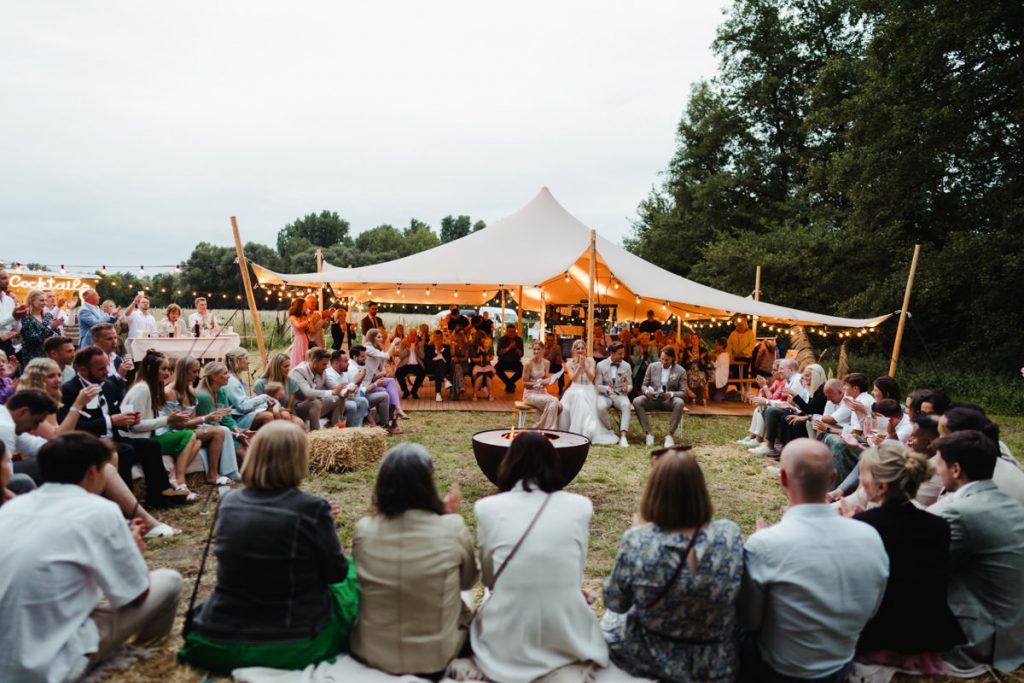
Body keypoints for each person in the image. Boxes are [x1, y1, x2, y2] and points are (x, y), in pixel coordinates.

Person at [0, 432, 182, 683]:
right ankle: (148, 651)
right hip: (47, 667)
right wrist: (135, 551)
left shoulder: (12, 508)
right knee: (170, 580)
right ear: (93, 473)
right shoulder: (100, 510)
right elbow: (135, 594)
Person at [179, 422, 358, 675]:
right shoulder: (312, 508)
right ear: (298, 459)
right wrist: (321, 525)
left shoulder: (228, 500)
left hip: (219, 635)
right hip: (290, 639)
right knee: (352, 576)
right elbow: (335, 573)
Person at [739, 439, 889, 682]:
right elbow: (872, 609)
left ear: (783, 479)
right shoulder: (871, 536)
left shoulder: (765, 544)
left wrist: (759, 544)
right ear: (833, 477)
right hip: (839, 663)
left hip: (781, 669)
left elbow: (750, 620)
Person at [470, 432, 609, 682]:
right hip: (565, 630)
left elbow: (490, 580)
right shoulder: (580, 506)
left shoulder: (487, 508)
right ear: (554, 462)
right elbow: (574, 572)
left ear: (509, 462)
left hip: (506, 631)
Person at [603, 447, 744, 682]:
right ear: (700, 488)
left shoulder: (638, 541)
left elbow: (615, 602)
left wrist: (638, 533)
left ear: (653, 491)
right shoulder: (729, 533)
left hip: (651, 662)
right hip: (715, 664)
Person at [351, 443, 479, 676]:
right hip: (436, 656)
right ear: (427, 483)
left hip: (372, 651)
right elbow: (468, 582)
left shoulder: (364, 529)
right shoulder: (452, 526)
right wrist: (447, 517)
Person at [836, 442, 965, 672]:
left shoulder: (864, 525)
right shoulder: (938, 525)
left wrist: (849, 530)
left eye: (864, 476)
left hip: (882, 635)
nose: (862, 484)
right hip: (927, 634)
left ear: (882, 486)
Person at [932, 430, 1024, 675]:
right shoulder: (1006, 503)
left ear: (956, 469)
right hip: (1011, 629)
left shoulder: (962, 512)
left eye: (938, 464)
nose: (935, 470)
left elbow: (928, 569)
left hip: (980, 640)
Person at [61, 346, 186, 508]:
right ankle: (126, 505)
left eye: (107, 367)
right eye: (101, 369)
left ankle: (158, 497)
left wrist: (130, 418)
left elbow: (118, 412)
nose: (107, 372)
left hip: (115, 438)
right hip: (88, 443)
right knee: (126, 451)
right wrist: (111, 421)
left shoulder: (108, 385)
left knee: (150, 446)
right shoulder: (70, 390)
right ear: (83, 370)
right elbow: (72, 427)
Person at [120, 350, 201, 499]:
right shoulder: (142, 390)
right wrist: (168, 420)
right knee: (190, 435)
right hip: (137, 440)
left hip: (151, 435)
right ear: (151, 370)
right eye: (164, 369)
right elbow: (134, 426)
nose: (167, 373)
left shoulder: (151, 387)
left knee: (196, 439)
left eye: (169, 369)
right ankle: (178, 481)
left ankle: (175, 478)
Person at [165, 355, 241, 483]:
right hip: (172, 432)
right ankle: (214, 474)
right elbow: (178, 424)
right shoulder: (169, 392)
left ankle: (222, 473)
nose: (197, 375)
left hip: (189, 429)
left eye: (198, 371)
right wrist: (207, 419)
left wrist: (211, 419)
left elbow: (193, 419)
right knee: (220, 430)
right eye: (194, 371)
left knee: (220, 431)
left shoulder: (190, 390)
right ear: (184, 371)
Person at [559, 339, 619, 445]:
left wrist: (585, 367)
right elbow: (572, 378)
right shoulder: (569, 363)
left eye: (582, 348)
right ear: (574, 350)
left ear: (585, 350)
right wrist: (579, 367)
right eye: (578, 348)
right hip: (574, 389)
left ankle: (586, 432)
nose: (580, 350)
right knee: (565, 407)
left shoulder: (591, 361)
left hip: (588, 388)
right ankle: (572, 432)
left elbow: (591, 377)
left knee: (583, 399)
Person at [633, 347, 688, 448]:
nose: (664, 362)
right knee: (637, 401)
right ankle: (648, 434)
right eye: (661, 359)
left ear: (672, 359)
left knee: (679, 402)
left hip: (669, 400)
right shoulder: (652, 366)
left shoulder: (681, 371)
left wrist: (671, 394)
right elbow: (644, 385)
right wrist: (646, 392)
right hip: (652, 398)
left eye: (667, 360)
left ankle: (669, 436)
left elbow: (684, 392)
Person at [196, 362, 252, 459]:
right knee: (242, 449)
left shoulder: (221, 391)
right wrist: (235, 435)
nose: (229, 377)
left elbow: (226, 417)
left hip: (221, 429)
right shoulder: (203, 396)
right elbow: (211, 424)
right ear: (214, 376)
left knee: (250, 440)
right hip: (208, 432)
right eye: (225, 373)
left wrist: (236, 430)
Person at [290, 347, 346, 430]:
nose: (325, 367)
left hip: (317, 406)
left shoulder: (322, 371)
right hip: (299, 408)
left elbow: (334, 387)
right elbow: (308, 393)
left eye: (326, 364)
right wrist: (331, 392)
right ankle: (316, 434)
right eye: (324, 364)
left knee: (340, 398)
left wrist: (345, 392)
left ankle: (337, 430)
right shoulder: (299, 371)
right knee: (315, 402)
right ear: (315, 362)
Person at [223, 348, 274, 431]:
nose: (248, 362)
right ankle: (268, 442)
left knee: (275, 412)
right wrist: (263, 397)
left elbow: (244, 401)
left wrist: (262, 403)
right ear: (237, 361)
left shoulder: (237, 379)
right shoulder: (231, 382)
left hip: (242, 415)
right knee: (268, 416)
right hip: (235, 419)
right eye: (246, 358)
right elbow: (242, 406)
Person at [595, 341, 632, 447]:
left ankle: (623, 436)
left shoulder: (627, 366)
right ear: (612, 353)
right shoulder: (600, 365)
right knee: (600, 406)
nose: (622, 356)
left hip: (620, 395)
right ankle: (610, 430)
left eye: (623, 353)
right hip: (605, 395)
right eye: (620, 353)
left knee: (626, 405)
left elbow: (630, 385)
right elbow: (597, 385)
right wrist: (606, 388)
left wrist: (627, 388)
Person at [323, 350, 371, 427]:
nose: (348, 364)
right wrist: (355, 381)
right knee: (351, 405)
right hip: (333, 402)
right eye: (345, 361)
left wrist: (357, 385)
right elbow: (341, 394)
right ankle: (348, 429)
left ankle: (356, 427)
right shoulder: (329, 375)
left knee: (363, 401)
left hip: (344, 399)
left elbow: (349, 394)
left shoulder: (344, 374)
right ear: (336, 363)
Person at [521, 339, 561, 429]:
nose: (536, 351)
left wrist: (549, 381)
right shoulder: (528, 364)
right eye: (534, 349)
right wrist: (537, 383)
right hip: (530, 394)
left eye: (538, 349)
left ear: (543, 350)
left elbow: (545, 381)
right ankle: (550, 429)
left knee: (559, 406)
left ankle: (538, 427)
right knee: (554, 401)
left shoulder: (547, 363)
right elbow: (524, 384)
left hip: (543, 392)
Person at [17, 288, 60, 362]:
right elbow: (33, 339)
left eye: (45, 300)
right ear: (31, 300)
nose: (44, 303)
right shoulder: (25, 317)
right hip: (32, 358)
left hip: (49, 357)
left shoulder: (48, 316)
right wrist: (50, 327)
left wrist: (55, 327)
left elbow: (58, 335)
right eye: (41, 300)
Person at [0, 268, 27, 357]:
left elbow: (16, 328)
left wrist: (18, 318)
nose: (7, 281)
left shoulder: (9, 300)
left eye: (8, 278)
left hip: (8, 345)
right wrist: (14, 317)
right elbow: (12, 318)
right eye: (4, 278)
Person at [395, 329, 427, 399]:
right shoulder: (403, 342)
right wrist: (407, 349)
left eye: (414, 335)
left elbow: (422, 356)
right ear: (408, 335)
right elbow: (401, 356)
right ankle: (405, 391)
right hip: (405, 364)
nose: (412, 337)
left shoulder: (420, 343)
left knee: (422, 373)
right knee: (398, 373)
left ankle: (414, 391)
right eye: (411, 335)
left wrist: (416, 348)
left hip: (416, 363)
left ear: (416, 336)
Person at [494, 323, 524, 394]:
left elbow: (521, 354)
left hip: (515, 361)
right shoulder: (502, 339)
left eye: (513, 332)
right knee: (496, 369)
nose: (511, 333)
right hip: (504, 361)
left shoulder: (519, 340)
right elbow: (499, 353)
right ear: (507, 332)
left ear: (515, 332)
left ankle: (509, 384)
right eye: (510, 332)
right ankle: (510, 384)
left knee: (523, 371)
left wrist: (515, 348)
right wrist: (509, 347)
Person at [425, 329, 452, 403]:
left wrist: (441, 352)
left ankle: (438, 394)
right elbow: (428, 360)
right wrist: (436, 351)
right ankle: (445, 380)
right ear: (433, 338)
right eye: (436, 337)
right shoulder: (429, 347)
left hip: (443, 368)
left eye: (440, 337)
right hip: (431, 367)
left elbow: (448, 360)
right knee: (439, 364)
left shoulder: (447, 347)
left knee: (438, 369)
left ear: (442, 338)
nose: (438, 339)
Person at [468, 328, 495, 401]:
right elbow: (473, 358)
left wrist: (488, 358)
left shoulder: (488, 344)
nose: (483, 340)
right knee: (480, 376)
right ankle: (475, 394)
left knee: (489, 377)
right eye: (482, 338)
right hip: (476, 365)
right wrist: (479, 358)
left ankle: (490, 394)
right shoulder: (473, 346)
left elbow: (491, 356)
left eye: (484, 338)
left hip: (486, 365)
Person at [288, 298, 313, 370]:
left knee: (307, 357)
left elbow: (311, 329)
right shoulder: (293, 317)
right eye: (305, 305)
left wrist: (309, 319)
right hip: (299, 339)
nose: (307, 306)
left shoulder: (305, 317)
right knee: (299, 357)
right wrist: (309, 320)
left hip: (307, 339)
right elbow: (298, 325)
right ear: (300, 306)